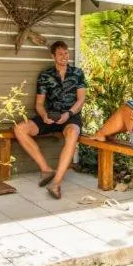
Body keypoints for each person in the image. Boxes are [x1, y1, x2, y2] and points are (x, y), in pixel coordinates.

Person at [12, 40, 87, 199]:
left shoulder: (77, 73)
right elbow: (39, 103)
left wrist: (68, 114)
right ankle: (46, 169)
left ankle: (56, 183)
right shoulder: (45, 76)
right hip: (50, 117)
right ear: (53, 56)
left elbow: (80, 100)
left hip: (70, 117)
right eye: (60, 53)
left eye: (66, 53)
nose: (64, 56)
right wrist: (45, 116)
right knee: (20, 129)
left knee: (73, 133)